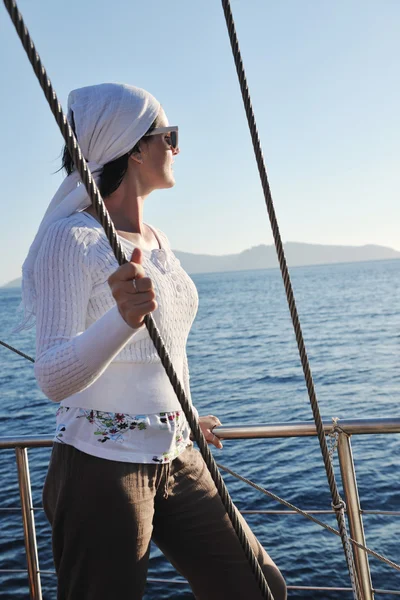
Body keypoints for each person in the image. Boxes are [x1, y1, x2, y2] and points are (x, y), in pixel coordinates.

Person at [21, 83, 286, 600]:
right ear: (135, 147)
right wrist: (120, 320)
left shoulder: (156, 241)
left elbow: (170, 349)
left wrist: (184, 414)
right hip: (101, 468)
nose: (177, 148)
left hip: (179, 454)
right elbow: (52, 375)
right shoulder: (71, 239)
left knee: (261, 589)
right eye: (170, 135)